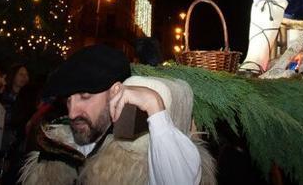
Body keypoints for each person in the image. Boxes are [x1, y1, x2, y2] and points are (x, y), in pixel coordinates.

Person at [19, 44, 214, 185]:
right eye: (68, 100)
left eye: (85, 97)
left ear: (115, 92)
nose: (72, 112)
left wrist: (154, 105)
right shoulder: (53, 148)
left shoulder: (140, 153)